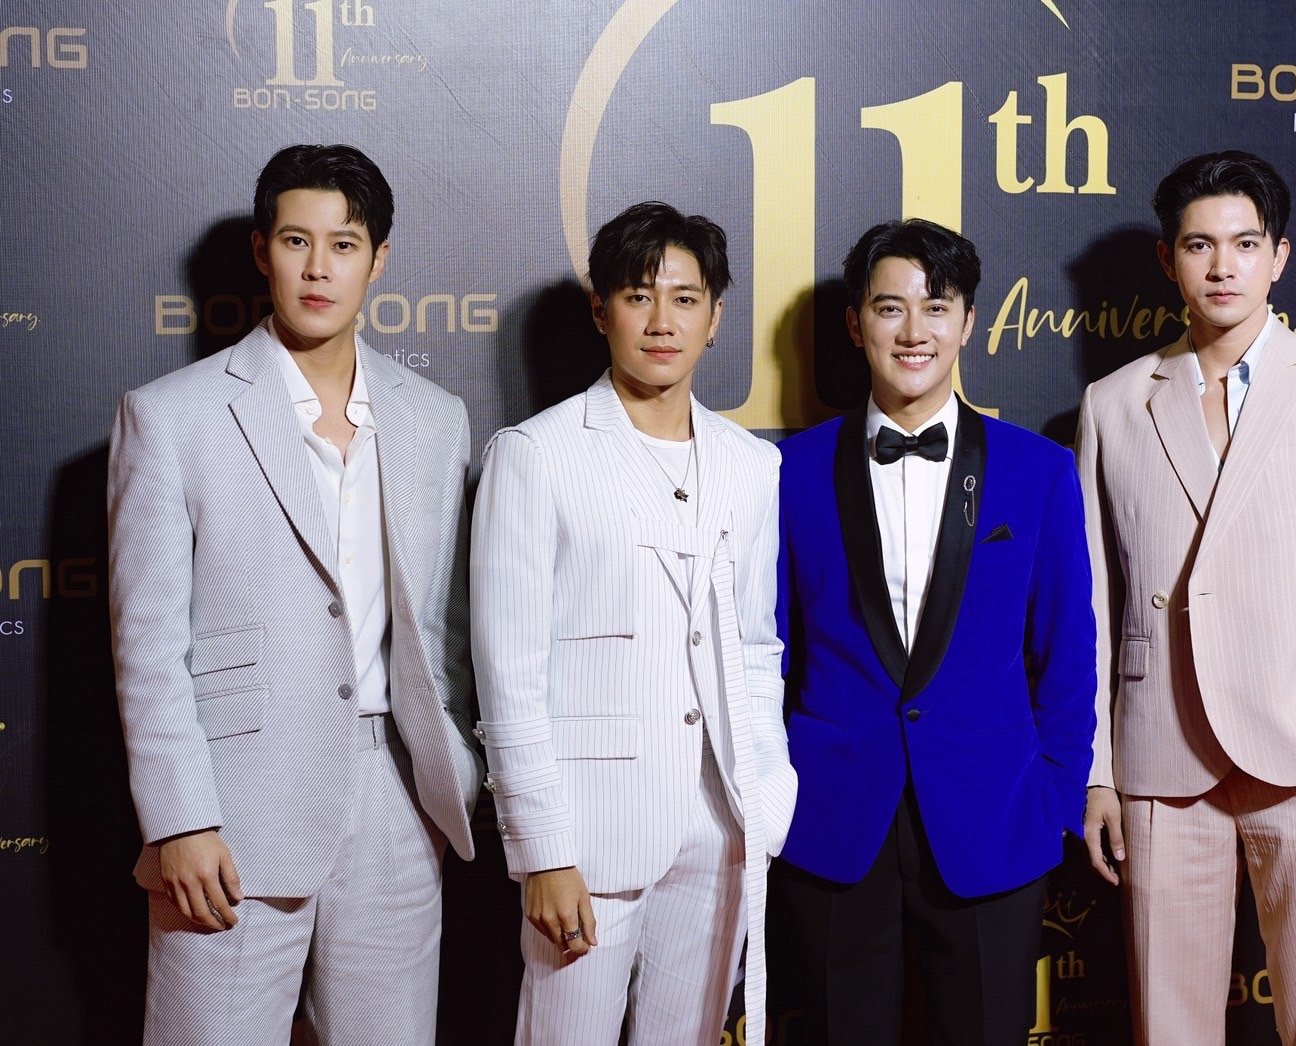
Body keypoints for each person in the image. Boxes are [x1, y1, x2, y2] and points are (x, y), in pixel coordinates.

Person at [108, 143, 482, 1044]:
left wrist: (454, 784)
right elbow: (147, 648)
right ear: (261, 250)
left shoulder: (435, 418)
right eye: (295, 241)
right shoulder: (171, 416)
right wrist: (180, 820)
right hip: (233, 806)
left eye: (344, 245)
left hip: (397, 802)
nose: (319, 269)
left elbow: (446, 630)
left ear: (378, 260)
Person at [1076, 150, 1296, 1044]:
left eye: (1244, 243)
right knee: (1170, 1027)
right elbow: (1092, 605)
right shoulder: (1113, 404)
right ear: (1169, 261)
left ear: (1279, 256)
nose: (1223, 266)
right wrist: (1100, 770)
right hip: (1163, 758)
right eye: (1200, 245)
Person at [470, 201, 796, 1045]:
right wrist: (543, 849)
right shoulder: (536, 454)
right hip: (590, 836)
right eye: (638, 296)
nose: (662, 321)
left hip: (722, 831)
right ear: (600, 310)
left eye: (685, 299)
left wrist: (768, 796)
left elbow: (755, 648)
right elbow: (507, 675)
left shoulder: (752, 465)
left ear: (715, 318)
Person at [771, 218, 1097, 1043]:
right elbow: (766, 652)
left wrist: (1054, 801)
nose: (914, 331)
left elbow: (1065, 653)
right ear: (856, 324)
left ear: (969, 323)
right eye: (890, 308)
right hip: (831, 821)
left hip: (996, 820)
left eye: (937, 307)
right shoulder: (787, 472)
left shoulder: (1038, 470)